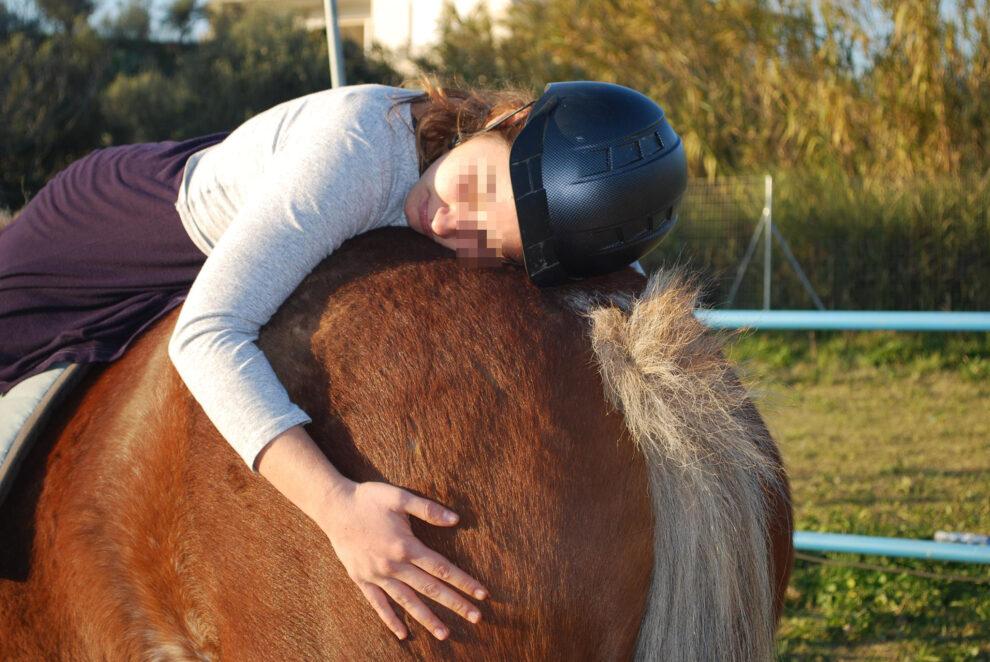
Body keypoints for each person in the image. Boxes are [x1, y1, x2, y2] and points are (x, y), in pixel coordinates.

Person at [0, 78, 687, 641]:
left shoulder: (483, 177)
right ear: (508, 119)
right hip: (122, 229)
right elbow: (205, 335)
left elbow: (609, 262)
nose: (450, 224)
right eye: (476, 189)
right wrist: (338, 506)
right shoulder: (361, 152)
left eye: (487, 242)